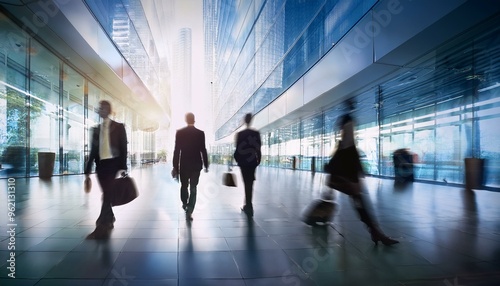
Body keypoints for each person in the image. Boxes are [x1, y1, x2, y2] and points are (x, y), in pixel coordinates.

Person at [327, 101, 398, 245]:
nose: (353, 132)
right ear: (346, 129)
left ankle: (375, 231)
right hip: (351, 181)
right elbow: (340, 166)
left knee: (361, 205)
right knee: (361, 205)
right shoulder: (346, 148)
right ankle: (376, 232)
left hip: (351, 180)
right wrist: (355, 180)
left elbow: (338, 166)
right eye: (351, 129)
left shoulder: (346, 148)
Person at [85, 100, 128, 239]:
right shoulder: (95, 129)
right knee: (106, 194)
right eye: (100, 108)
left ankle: (101, 225)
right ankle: (110, 218)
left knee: (107, 194)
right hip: (101, 166)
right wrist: (88, 169)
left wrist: (123, 167)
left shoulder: (119, 127)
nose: (101, 110)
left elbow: (123, 148)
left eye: (104, 108)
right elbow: (92, 150)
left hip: (113, 165)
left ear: (109, 111)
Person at [172, 112, 209, 220]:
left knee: (184, 186)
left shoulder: (180, 133)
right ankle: (190, 209)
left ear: (186, 120)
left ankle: (184, 203)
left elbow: (177, 150)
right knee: (193, 188)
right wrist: (206, 164)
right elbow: (203, 150)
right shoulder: (200, 133)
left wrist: (175, 166)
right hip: (196, 166)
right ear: (194, 120)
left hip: (184, 165)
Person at [234, 113, 262, 217]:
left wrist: (237, 160)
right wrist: (258, 160)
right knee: (250, 183)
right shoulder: (256, 133)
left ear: (245, 121)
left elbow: (237, 150)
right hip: (252, 162)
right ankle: (248, 204)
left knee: (246, 182)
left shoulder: (240, 134)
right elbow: (258, 148)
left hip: (243, 162)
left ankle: (248, 205)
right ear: (251, 120)